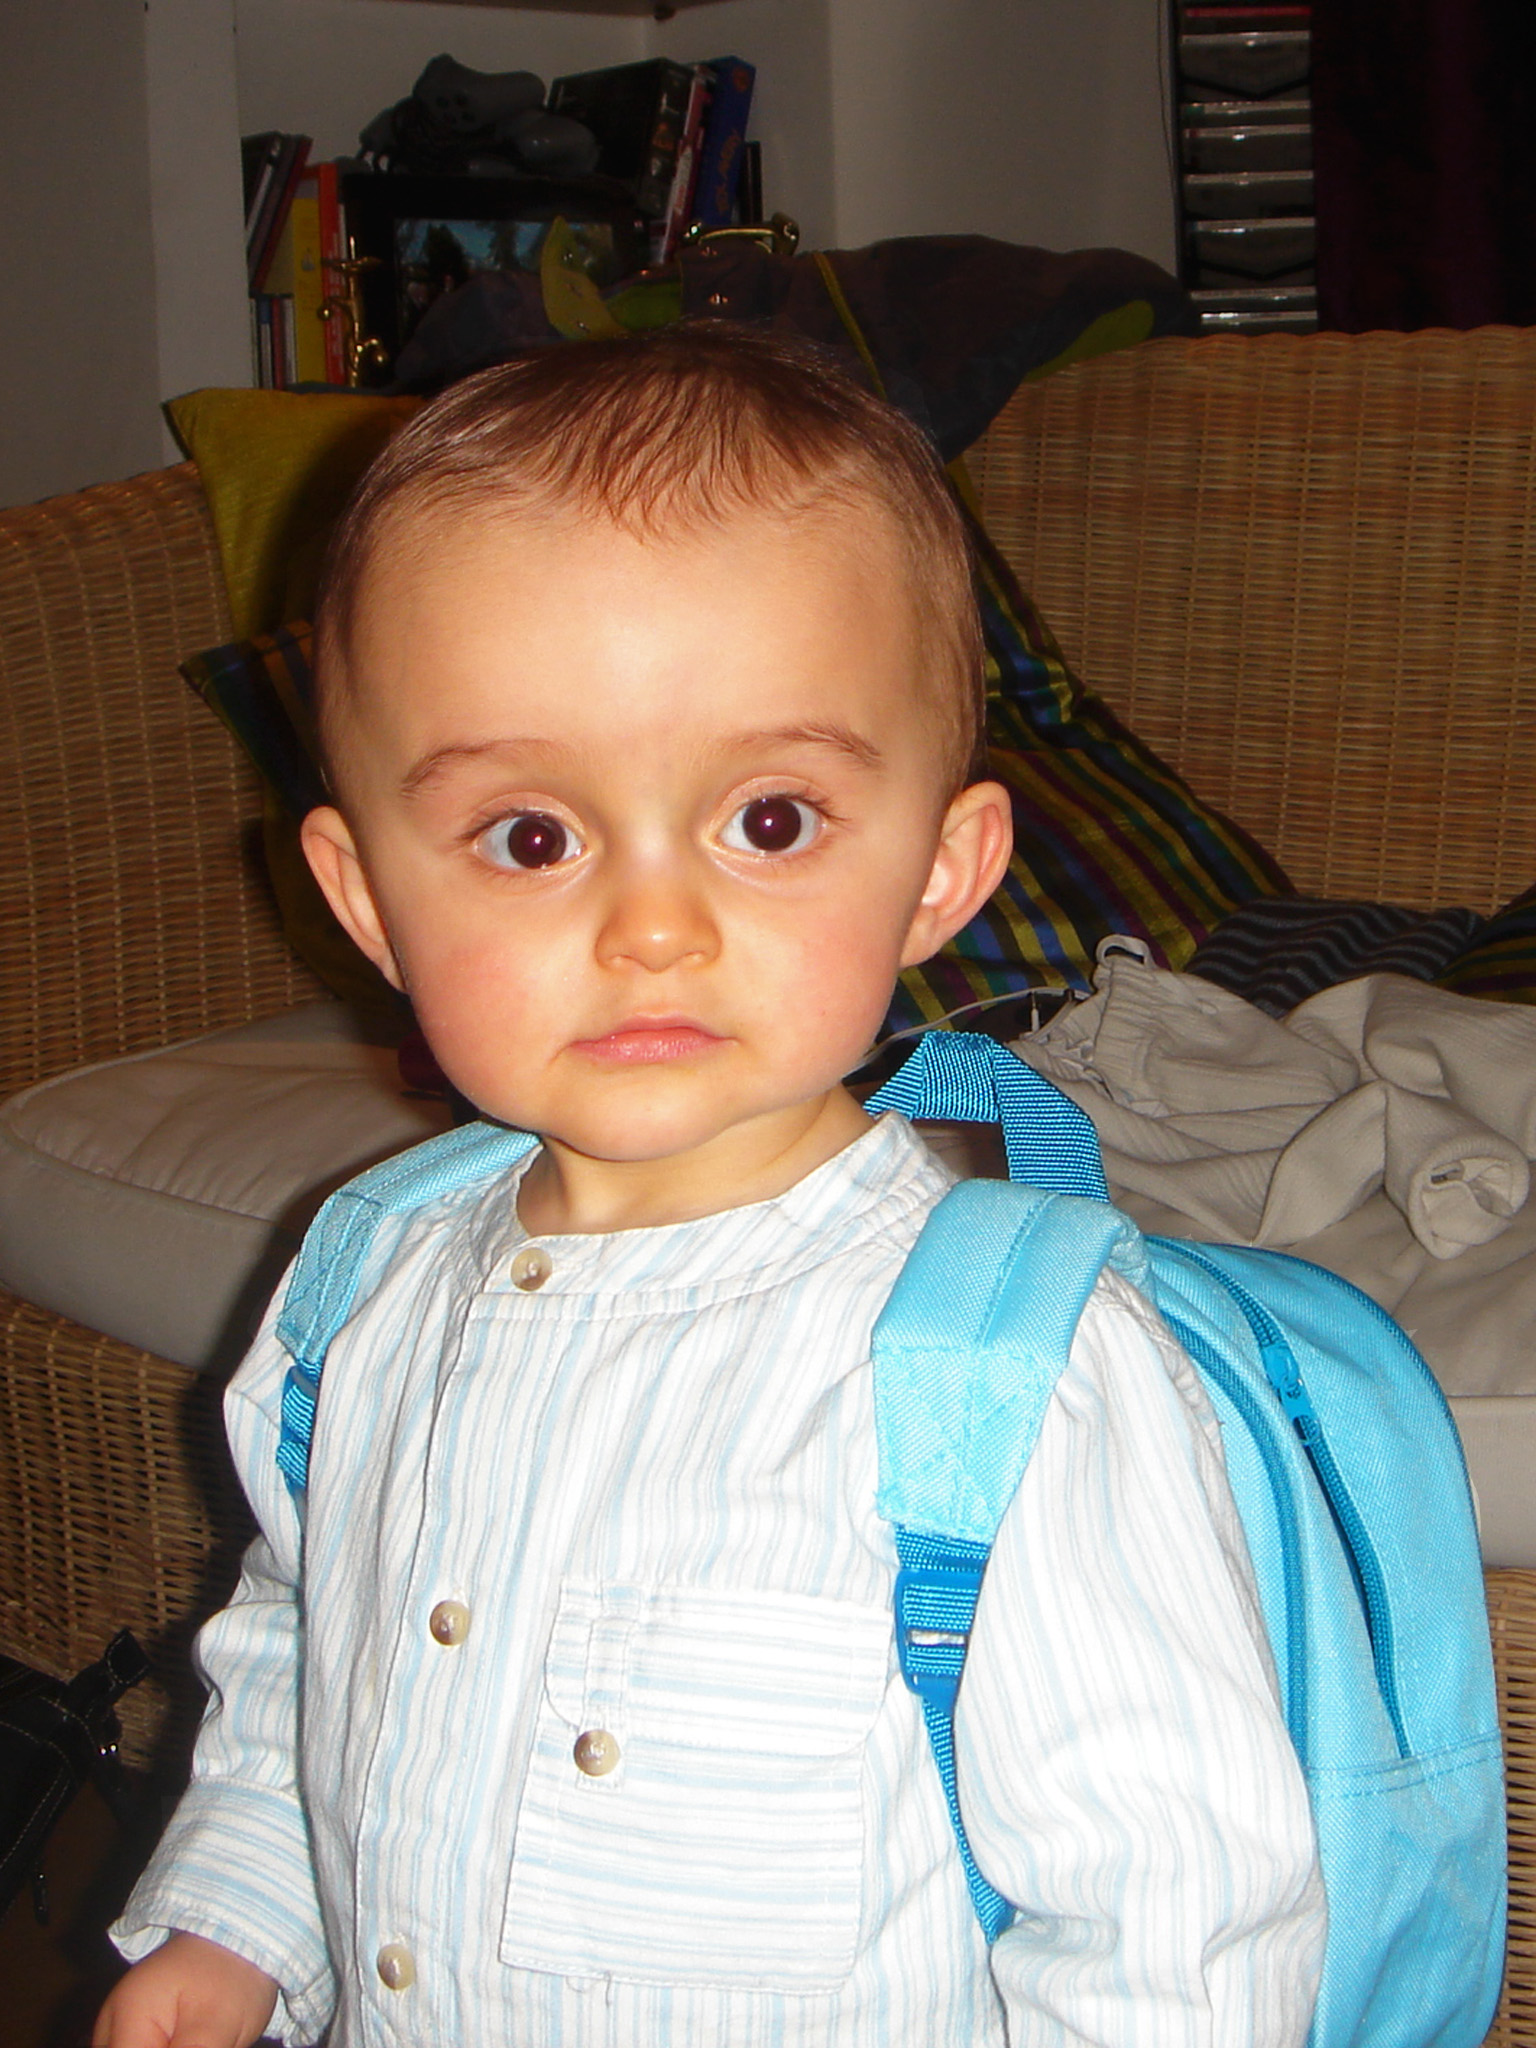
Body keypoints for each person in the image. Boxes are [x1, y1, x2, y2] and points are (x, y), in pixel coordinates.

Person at [97, 325, 1324, 2048]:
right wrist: (236, 1925)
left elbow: (1177, 1930)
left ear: (940, 872)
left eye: (769, 821)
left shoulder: (1010, 1380)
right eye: (533, 837)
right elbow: (310, 1641)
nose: (653, 927)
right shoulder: (360, 1289)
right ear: (367, 902)